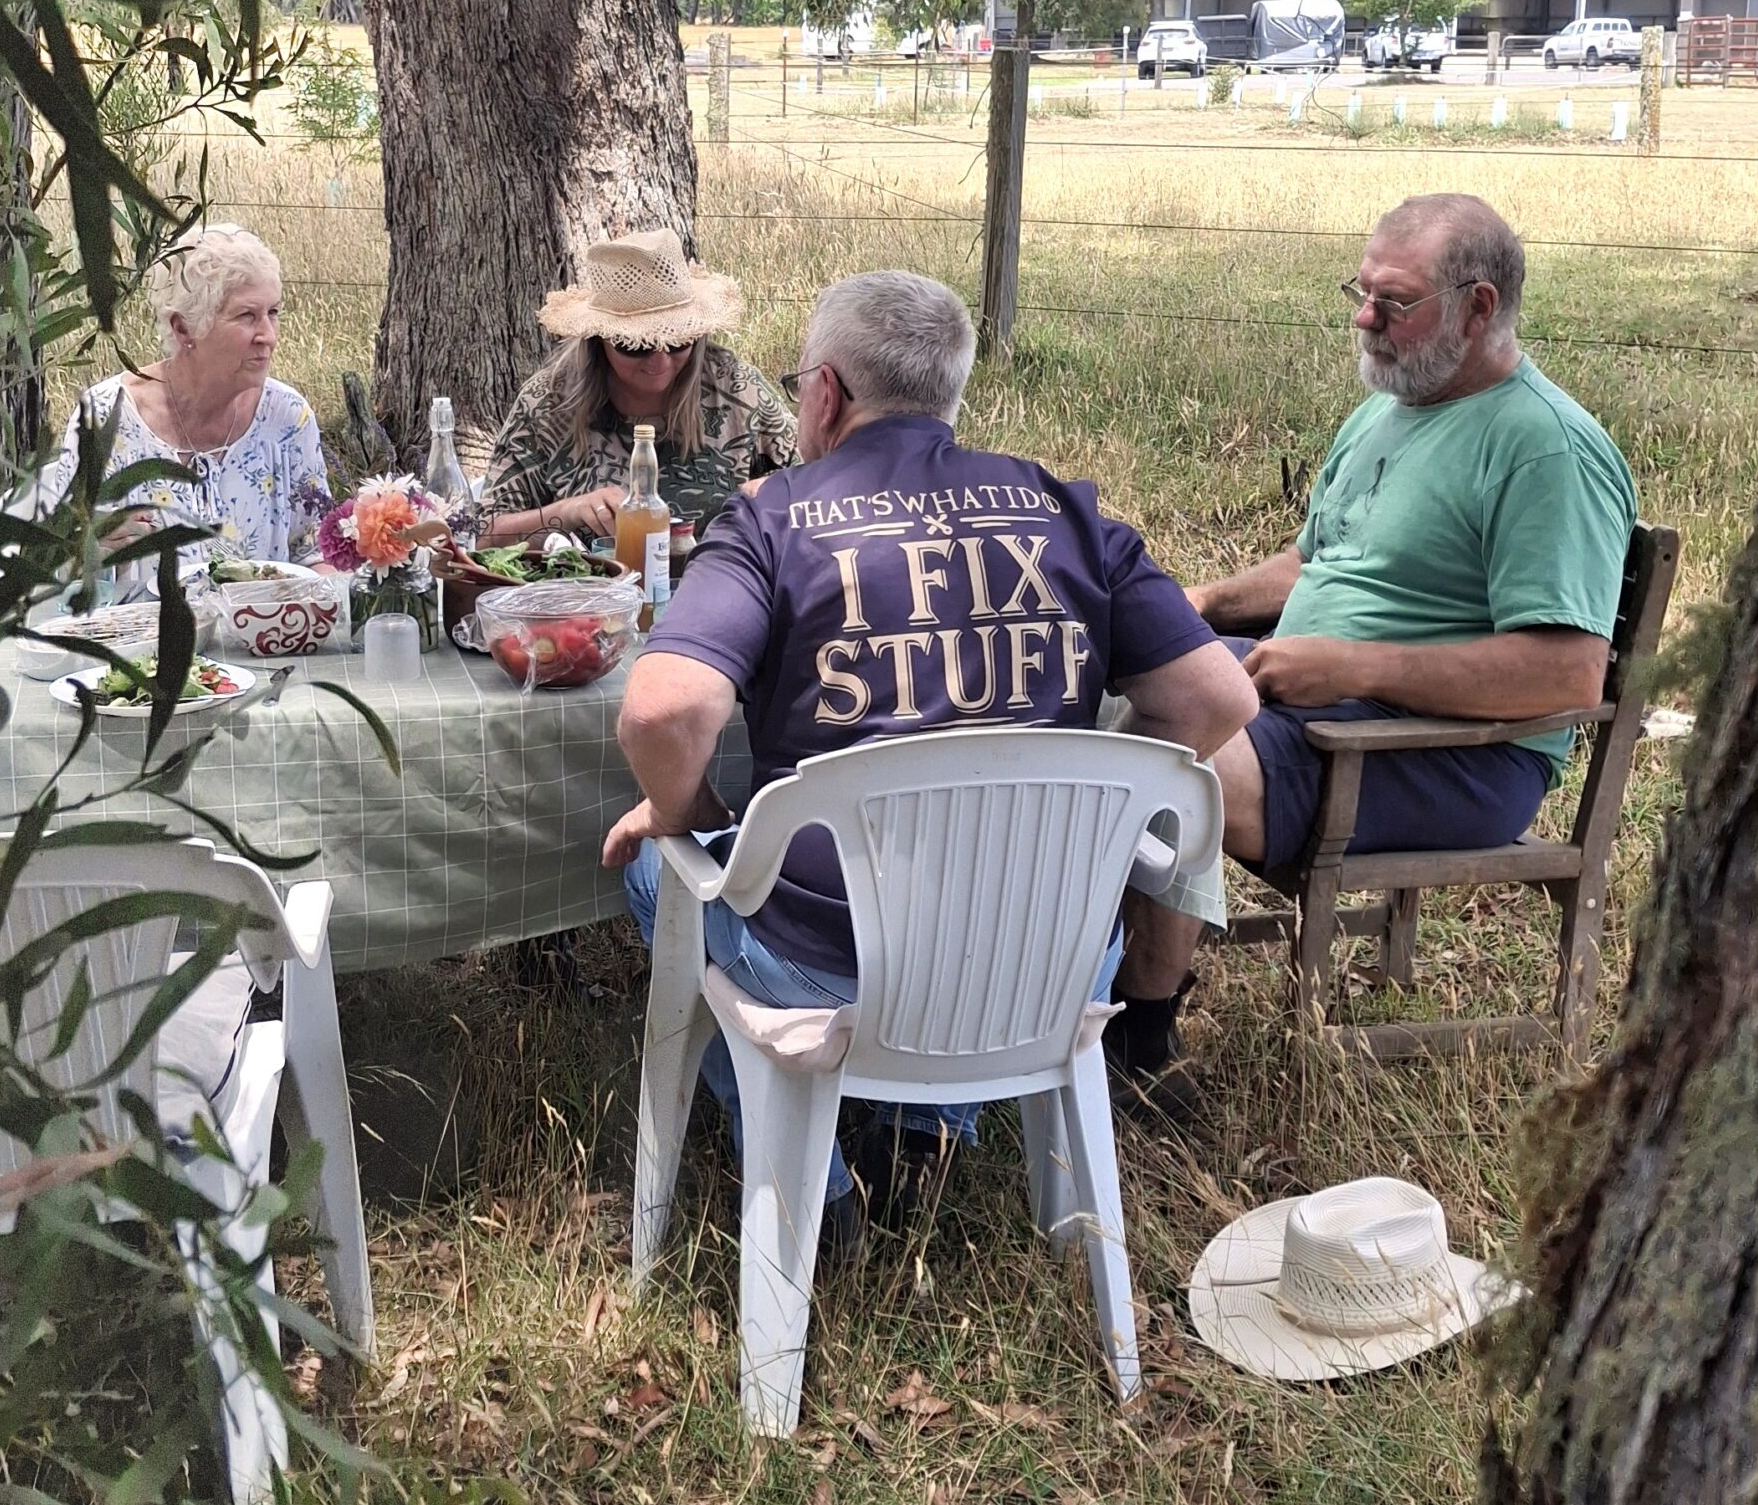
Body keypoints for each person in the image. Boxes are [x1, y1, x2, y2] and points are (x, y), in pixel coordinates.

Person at [604, 270, 1256, 1244]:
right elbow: (1218, 699)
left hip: (826, 964)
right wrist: (1098, 807)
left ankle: (816, 1192)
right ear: (951, 393)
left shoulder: (774, 517)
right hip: (1053, 957)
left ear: (822, 393)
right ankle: (923, 1131)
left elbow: (661, 712)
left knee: (662, 873)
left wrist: (685, 812)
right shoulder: (1068, 511)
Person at [1117, 192, 1639, 1084]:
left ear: (1480, 307)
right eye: (1360, 293)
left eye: (1395, 303)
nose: (1366, 319)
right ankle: (1060, 988)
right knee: (1096, 688)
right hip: (1316, 710)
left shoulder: (1546, 451)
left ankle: (1138, 1041)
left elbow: (1569, 670)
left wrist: (1350, 666)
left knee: (1163, 760)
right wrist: (1190, 604)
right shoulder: (1391, 407)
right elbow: (1316, 566)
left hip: (1445, 755)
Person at [32, 223, 329, 576]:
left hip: (264, 630)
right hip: (136, 629)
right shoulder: (104, 418)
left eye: (273, 313)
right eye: (246, 316)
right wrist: (90, 551)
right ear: (183, 328)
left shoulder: (287, 418)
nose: (268, 335)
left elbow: (317, 554)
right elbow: (57, 567)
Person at [483, 228, 796, 544]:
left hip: (723, 583)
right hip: (592, 589)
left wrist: (776, 490)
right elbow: (482, 535)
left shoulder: (737, 387)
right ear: (599, 339)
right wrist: (568, 511)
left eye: (678, 341)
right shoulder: (547, 402)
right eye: (635, 346)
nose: (659, 363)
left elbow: (825, 480)